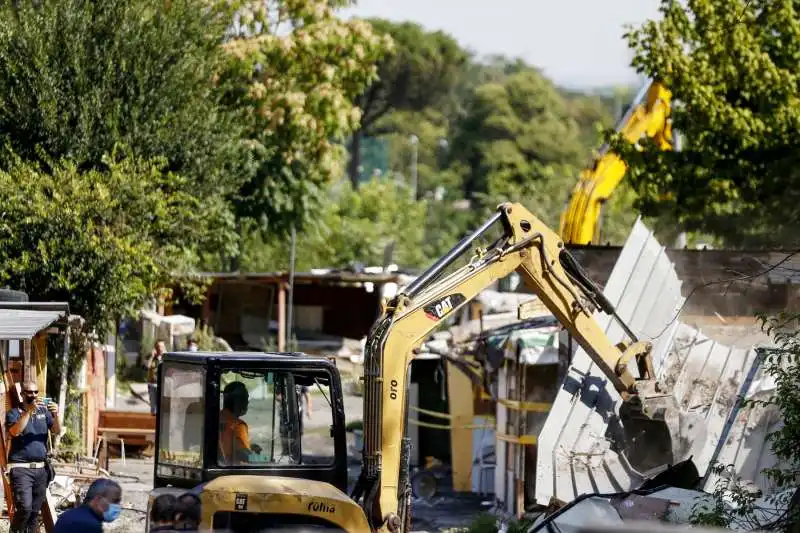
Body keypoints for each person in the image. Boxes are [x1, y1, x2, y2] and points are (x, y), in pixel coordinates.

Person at [6, 380, 60, 533]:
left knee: (34, 513)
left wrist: (56, 415)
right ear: (22, 394)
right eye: (30, 392)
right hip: (21, 469)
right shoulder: (14, 413)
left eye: (36, 392)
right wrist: (28, 411)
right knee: (24, 508)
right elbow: (15, 432)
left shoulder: (44, 411)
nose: (34, 395)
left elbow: (56, 430)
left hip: (41, 470)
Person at [53, 478, 122, 533]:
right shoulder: (90, 525)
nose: (118, 506)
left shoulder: (68, 514)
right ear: (98, 499)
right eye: (114, 501)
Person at [218, 382, 261, 464]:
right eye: (245, 398)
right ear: (237, 401)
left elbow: (228, 445)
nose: (247, 402)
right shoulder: (238, 425)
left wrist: (249, 446)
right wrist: (264, 459)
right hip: (234, 471)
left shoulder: (216, 418)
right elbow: (243, 454)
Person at [147, 341, 167, 415]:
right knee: (153, 406)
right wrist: (152, 356)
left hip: (162, 385)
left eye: (161, 346)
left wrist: (166, 355)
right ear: (155, 348)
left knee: (162, 406)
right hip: (152, 384)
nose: (160, 348)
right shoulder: (152, 358)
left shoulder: (166, 358)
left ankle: (160, 424)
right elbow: (148, 366)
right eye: (158, 346)